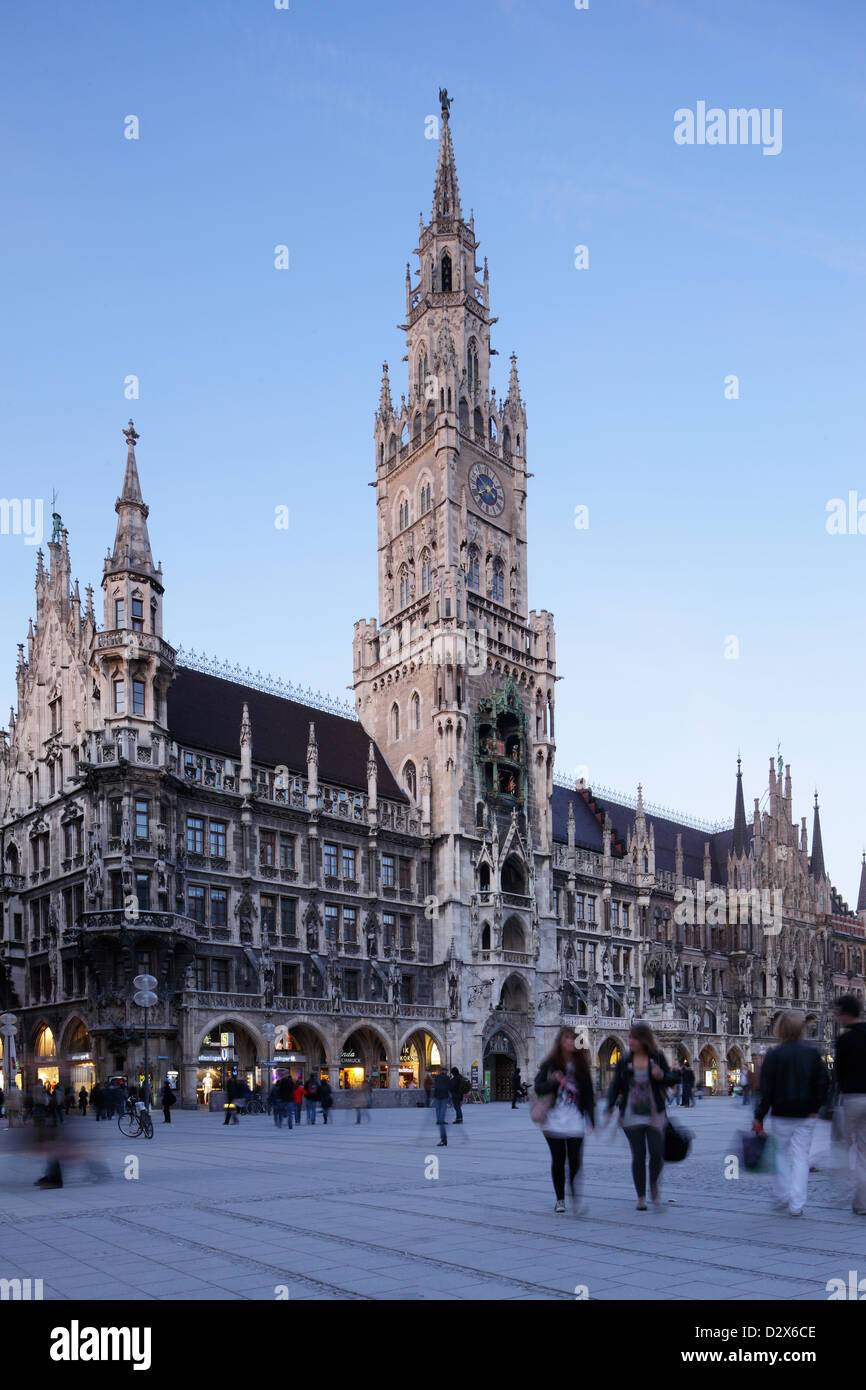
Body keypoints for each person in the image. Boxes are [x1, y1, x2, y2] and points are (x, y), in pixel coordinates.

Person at [752, 1009, 829, 1217]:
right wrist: (815, 1107)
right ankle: (797, 1204)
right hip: (806, 1114)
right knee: (801, 1157)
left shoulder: (774, 1055)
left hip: (781, 1113)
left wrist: (759, 1116)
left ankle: (781, 1195)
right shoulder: (812, 1053)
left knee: (781, 1155)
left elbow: (766, 1090)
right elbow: (823, 1082)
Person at [606, 1023, 678, 1211]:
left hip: (654, 1112)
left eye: (633, 1038)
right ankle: (641, 1197)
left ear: (643, 1040)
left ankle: (653, 1185)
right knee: (638, 1155)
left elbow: (671, 1079)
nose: (630, 1041)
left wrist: (661, 1074)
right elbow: (616, 1085)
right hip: (631, 1114)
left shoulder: (657, 1057)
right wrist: (610, 1106)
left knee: (656, 1153)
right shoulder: (625, 1060)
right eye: (629, 1038)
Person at [534, 1025, 595, 1214]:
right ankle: (560, 1199)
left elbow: (589, 1096)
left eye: (573, 1038)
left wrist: (592, 1119)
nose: (571, 1041)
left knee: (576, 1161)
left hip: (575, 1120)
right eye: (567, 1038)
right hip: (554, 1119)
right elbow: (539, 1087)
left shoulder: (582, 1067)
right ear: (560, 1041)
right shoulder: (550, 1064)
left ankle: (575, 1196)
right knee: (558, 1160)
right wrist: (554, 1081)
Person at [834, 995, 866, 1214]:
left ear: (846, 1014)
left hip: (853, 1098)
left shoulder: (844, 1040)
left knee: (842, 1148)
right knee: (864, 1152)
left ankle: (849, 1189)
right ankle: (861, 1203)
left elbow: (838, 1073)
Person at [432, 1069, 451, 1146]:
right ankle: (444, 1140)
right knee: (441, 1118)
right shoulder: (447, 1078)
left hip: (438, 1097)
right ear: (445, 1072)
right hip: (444, 1097)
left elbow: (434, 1087)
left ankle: (439, 1120)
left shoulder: (437, 1077)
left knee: (439, 1114)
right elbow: (449, 1087)